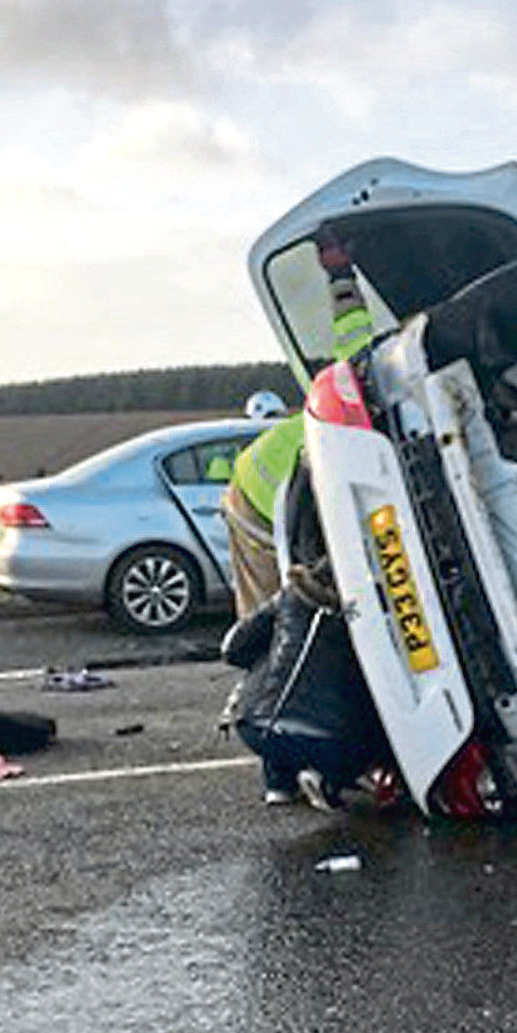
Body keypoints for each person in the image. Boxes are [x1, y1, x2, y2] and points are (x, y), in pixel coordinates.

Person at [220, 226, 384, 806]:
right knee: (281, 631)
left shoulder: (378, 386)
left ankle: (298, 753)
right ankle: (278, 772)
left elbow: (353, 328)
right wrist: (340, 276)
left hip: (283, 487)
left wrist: (341, 275)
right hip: (258, 502)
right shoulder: (368, 407)